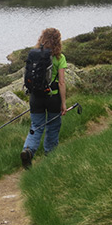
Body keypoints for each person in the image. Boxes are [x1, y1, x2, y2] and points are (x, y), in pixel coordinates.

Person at [21, 28, 67, 169]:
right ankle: (50, 156)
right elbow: (61, 82)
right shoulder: (60, 58)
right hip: (52, 98)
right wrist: (63, 103)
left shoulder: (34, 55)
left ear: (42, 38)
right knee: (53, 127)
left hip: (35, 97)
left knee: (36, 127)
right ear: (57, 41)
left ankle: (28, 151)